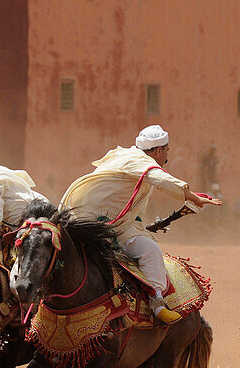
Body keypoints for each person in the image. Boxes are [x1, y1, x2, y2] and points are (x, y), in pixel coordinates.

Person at [60, 125, 221, 323]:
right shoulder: (142, 162)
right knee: (150, 250)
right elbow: (162, 180)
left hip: (90, 220)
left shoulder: (122, 155)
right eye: (167, 151)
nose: (166, 156)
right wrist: (193, 197)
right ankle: (157, 304)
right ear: (160, 150)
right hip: (103, 225)